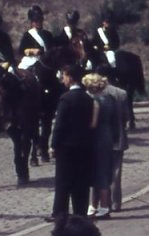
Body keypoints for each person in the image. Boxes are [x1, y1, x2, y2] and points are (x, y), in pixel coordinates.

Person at [49, 64, 95, 220]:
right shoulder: (88, 98)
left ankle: (59, 212)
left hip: (66, 146)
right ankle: (80, 212)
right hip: (84, 144)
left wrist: (53, 145)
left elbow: (59, 125)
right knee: (81, 181)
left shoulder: (66, 98)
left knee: (63, 180)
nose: (63, 79)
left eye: (64, 76)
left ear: (69, 77)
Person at [83, 73, 119, 220]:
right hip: (107, 135)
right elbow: (116, 120)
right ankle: (96, 206)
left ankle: (102, 206)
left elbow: (92, 122)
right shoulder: (110, 99)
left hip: (96, 136)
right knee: (103, 170)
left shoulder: (93, 101)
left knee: (98, 172)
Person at [96, 67, 128, 212]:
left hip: (100, 136)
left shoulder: (95, 93)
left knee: (101, 170)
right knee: (116, 171)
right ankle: (116, 203)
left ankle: (104, 202)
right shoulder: (121, 93)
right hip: (118, 135)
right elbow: (125, 116)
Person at [18, 5, 55, 71]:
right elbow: (21, 51)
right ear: (32, 22)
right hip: (32, 62)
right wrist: (32, 51)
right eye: (36, 20)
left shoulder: (48, 35)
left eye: (40, 19)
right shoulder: (27, 35)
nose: (38, 22)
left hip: (47, 63)